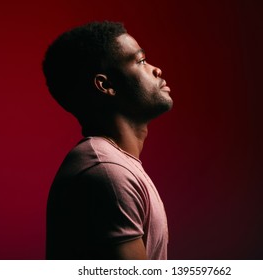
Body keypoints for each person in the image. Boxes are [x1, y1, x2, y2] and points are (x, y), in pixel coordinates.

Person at [42, 21, 173, 260]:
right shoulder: (108, 173)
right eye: (141, 61)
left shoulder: (116, 164)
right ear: (106, 85)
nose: (157, 70)